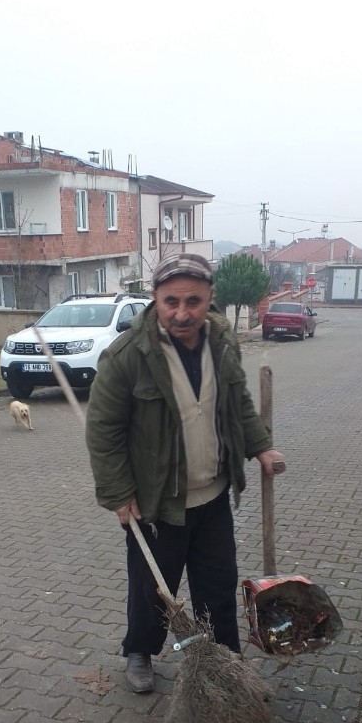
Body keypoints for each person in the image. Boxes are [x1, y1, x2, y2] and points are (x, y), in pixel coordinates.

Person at [85, 253, 285, 693]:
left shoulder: (222, 344)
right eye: (171, 300)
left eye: (193, 301)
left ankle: (225, 660)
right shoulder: (128, 357)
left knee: (218, 584)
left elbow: (239, 403)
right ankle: (139, 652)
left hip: (212, 495)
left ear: (209, 297)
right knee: (153, 588)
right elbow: (103, 430)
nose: (182, 312)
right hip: (156, 502)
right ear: (154, 298)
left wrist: (260, 447)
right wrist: (119, 494)